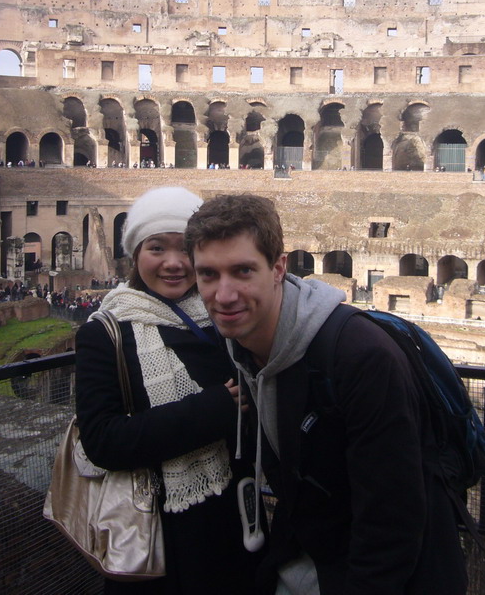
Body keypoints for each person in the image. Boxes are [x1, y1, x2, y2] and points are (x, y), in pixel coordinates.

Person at [186, 194, 468, 595]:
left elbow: (392, 520)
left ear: (279, 268)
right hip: (312, 558)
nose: (224, 294)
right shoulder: (237, 346)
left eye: (243, 270)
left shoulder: (361, 356)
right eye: (209, 275)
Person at [75, 186, 261, 594]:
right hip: (158, 533)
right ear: (135, 254)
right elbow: (102, 442)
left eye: (185, 250)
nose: (174, 264)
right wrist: (211, 410)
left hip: (237, 518)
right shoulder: (105, 333)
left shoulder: (221, 312)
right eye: (157, 248)